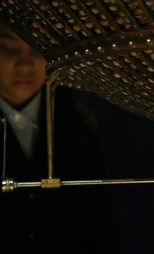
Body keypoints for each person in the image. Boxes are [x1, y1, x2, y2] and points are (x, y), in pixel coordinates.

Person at [0, 20, 116, 253]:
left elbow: (98, 229)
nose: (26, 64)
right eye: (10, 49)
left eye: (38, 49)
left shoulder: (80, 133)